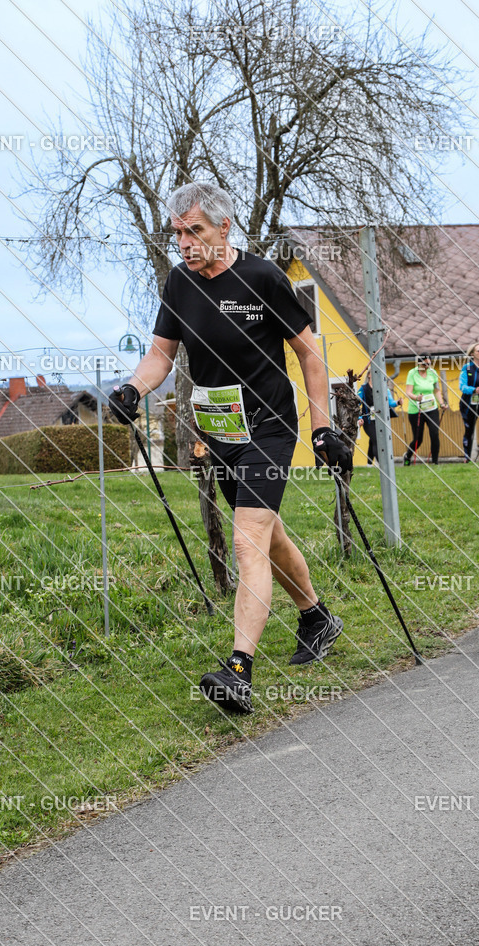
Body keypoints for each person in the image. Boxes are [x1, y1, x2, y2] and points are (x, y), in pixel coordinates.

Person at [109, 182, 351, 713]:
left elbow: (311, 357)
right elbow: (160, 354)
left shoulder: (263, 277)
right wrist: (134, 387)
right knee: (268, 536)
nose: (185, 244)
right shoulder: (179, 283)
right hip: (220, 431)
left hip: (269, 427)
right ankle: (317, 617)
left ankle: (239, 669)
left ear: (224, 228)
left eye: (195, 231)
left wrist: (321, 427)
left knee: (247, 542)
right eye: (178, 234)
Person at [403, 354, 447, 466]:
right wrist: (416, 397)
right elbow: (408, 392)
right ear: (418, 363)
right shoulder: (412, 373)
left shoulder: (433, 373)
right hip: (416, 410)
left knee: (434, 433)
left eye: (428, 364)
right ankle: (407, 456)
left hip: (432, 408)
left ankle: (435, 462)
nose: (426, 366)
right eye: (424, 364)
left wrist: (441, 403)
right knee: (418, 439)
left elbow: (436, 390)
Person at [357, 370, 401, 465]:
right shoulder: (363, 389)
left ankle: (369, 463)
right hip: (368, 421)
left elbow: (390, 402)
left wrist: (397, 403)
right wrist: (359, 417)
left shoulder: (384, 388)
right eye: (374, 372)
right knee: (377, 438)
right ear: (369, 375)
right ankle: (381, 463)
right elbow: (356, 404)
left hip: (380, 419)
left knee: (373, 440)